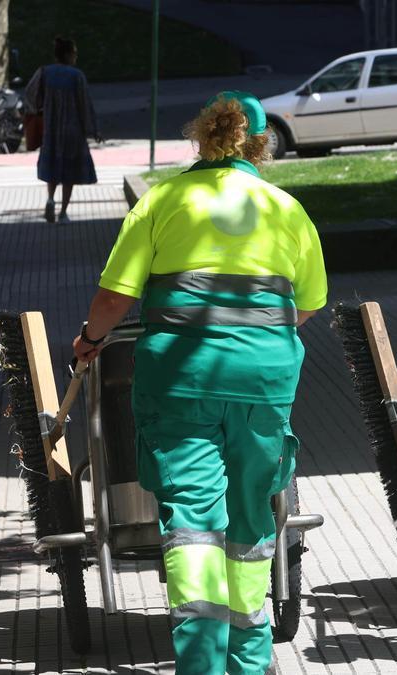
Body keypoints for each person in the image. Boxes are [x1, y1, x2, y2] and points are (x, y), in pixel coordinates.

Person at [72, 91, 327, 674]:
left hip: (180, 382)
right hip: (263, 383)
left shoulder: (164, 201)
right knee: (251, 518)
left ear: (203, 137)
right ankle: (250, 658)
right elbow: (307, 304)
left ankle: (201, 662)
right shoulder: (285, 210)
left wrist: (89, 341)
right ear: (260, 145)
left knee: (192, 519)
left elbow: (115, 298)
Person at [24, 36, 99, 225]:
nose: (76, 57)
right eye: (74, 53)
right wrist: (92, 130)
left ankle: (50, 199)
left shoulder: (44, 72)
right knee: (69, 172)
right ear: (67, 54)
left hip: (51, 128)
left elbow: (30, 94)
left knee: (53, 167)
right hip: (73, 131)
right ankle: (63, 212)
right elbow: (85, 104)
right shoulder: (76, 76)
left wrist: (38, 109)